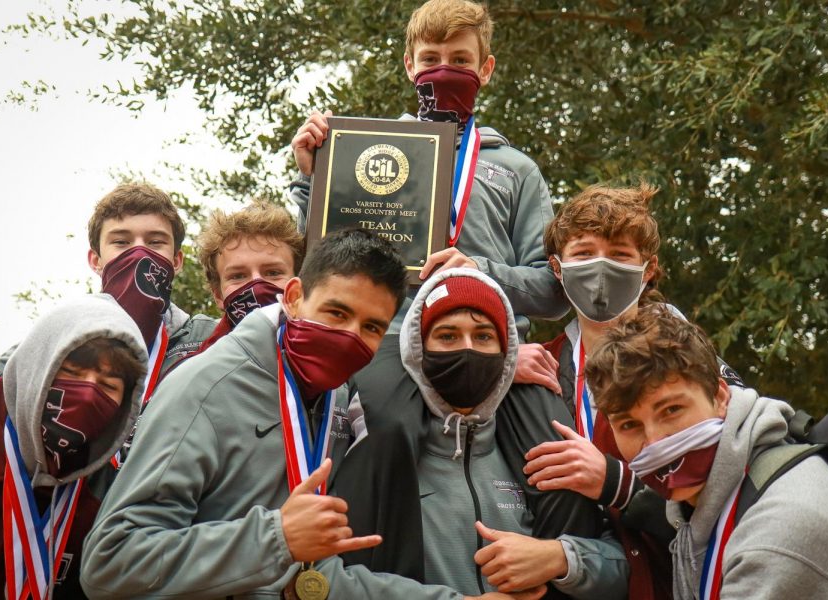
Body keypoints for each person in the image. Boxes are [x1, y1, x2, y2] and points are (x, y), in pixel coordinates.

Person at [81, 230, 529, 599]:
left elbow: (310, 578)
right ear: (294, 297)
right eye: (336, 312)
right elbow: (111, 561)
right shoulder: (205, 387)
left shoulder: (333, 394)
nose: (350, 336)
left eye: (371, 327)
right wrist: (276, 538)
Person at [288, 0, 568, 356]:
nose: (445, 70)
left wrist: (479, 271)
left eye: (461, 60)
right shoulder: (364, 152)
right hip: (384, 349)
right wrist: (313, 175)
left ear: (486, 68)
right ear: (410, 66)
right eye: (431, 59)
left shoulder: (517, 170)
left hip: (486, 353)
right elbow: (315, 263)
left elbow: (554, 291)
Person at [331, 268, 628, 600]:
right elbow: (323, 579)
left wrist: (559, 558)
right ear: (417, 349)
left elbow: (626, 569)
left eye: (484, 336)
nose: (467, 349)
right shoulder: (378, 450)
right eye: (447, 336)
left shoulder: (532, 448)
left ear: (507, 352)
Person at [585, 306, 828, 600]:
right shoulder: (702, 505)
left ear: (720, 397)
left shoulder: (777, 535)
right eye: (630, 425)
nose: (656, 442)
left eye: (672, 410)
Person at [522, 182, 677, 599]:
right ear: (557, 268)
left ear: (648, 269)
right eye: (584, 254)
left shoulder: (686, 367)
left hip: (661, 582)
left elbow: (716, 505)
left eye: (620, 255)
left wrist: (617, 485)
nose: (601, 267)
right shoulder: (537, 365)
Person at [0, 294, 148, 599]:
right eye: (72, 373)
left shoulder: (110, 491)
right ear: (38, 367)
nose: (89, 395)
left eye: (108, 386)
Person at [0, 183, 217, 388]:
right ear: (96, 260)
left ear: (176, 260)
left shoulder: (209, 339)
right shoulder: (63, 334)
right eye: (121, 242)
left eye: (155, 242)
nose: (140, 253)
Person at [195, 201, 304, 352]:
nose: (257, 286)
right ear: (218, 295)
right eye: (238, 276)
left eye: (273, 273)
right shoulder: (196, 370)